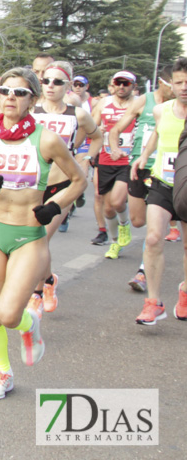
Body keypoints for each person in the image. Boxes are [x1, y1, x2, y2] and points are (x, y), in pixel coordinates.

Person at [0, 67, 86, 400]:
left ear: (32, 99)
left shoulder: (47, 139)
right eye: (5, 90)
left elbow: (78, 180)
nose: (11, 97)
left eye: (20, 92)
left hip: (28, 235)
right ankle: (3, 373)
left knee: (9, 315)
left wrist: (53, 207)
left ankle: (30, 325)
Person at [28, 61, 96, 313]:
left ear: (68, 85)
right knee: (32, 240)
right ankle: (48, 280)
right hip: (33, 185)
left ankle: (36, 292)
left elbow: (96, 136)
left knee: (41, 238)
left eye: (57, 82)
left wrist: (84, 158)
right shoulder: (31, 111)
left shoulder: (76, 114)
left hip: (63, 185)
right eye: (46, 81)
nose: (51, 86)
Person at [124, 58, 187, 325]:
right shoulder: (162, 110)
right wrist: (144, 156)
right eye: (179, 82)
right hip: (163, 181)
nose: (184, 87)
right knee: (152, 238)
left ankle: (184, 292)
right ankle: (153, 302)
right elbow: (157, 134)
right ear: (171, 84)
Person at [108, 66, 175, 284]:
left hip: (165, 170)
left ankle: (143, 271)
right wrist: (115, 148)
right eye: (173, 85)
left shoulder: (179, 107)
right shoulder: (144, 101)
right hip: (139, 164)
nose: (178, 90)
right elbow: (116, 129)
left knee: (155, 229)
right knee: (136, 219)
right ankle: (125, 225)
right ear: (163, 83)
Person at [92, 71, 138, 259]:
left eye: (126, 83)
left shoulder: (138, 104)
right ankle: (114, 242)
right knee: (108, 207)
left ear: (133, 86)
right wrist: (98, 129)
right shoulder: (103, 103)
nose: (121, 86)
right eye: (118, 83)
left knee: (118, 201)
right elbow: (91, 128)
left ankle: (125, 224)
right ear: (112, 84)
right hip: (106, 159)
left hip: (127, 160)